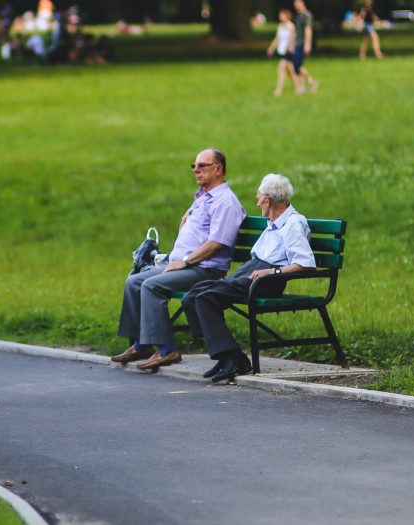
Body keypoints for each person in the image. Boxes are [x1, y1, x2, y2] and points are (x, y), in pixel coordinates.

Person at [112, 148, 247, 370]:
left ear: (218, 169)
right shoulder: (204, 197)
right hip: (186, 265)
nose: (196, 170)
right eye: (194, 166)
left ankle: (167, 350)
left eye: (202, 166)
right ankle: (142, 344)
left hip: (204, 269)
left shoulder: (225, 201)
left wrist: (184, 262)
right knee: (134, 280)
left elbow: (217, 243)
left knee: (152, 285)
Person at [181, 174, 315, 383]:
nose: (257, 201)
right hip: (252, 272)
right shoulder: (274, 221)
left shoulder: (293, 223)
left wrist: (271, 272)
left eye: (259, 197)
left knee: (206, 297)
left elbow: (305, 263)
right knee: (193, 295)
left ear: (267, 200)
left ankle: (234, 358)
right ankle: (225, 355)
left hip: (266, 280)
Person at [266, 9, 302, 96]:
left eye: (282, 15)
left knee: (281, 70)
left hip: (288, 52)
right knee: (291, 72)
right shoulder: (280, 26)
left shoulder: (291, 26)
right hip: (282, 51)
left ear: (287, 16)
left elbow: (293, 38)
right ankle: (298, 89)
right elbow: (277, 38)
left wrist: (289, 47)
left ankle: (278, 90)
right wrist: (271, 48)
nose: (280, 17)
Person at [292, 0, 318, 93]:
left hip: (302, 43)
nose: (296, 6)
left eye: (298, 4)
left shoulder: (306, 15)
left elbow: (308, 29)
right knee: (298, 65)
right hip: (297, 43)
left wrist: (308, 44)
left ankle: (311, 81)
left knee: (296, 65)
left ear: (303, 3)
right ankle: (302, 87)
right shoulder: (298, 16)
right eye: (295, 4)